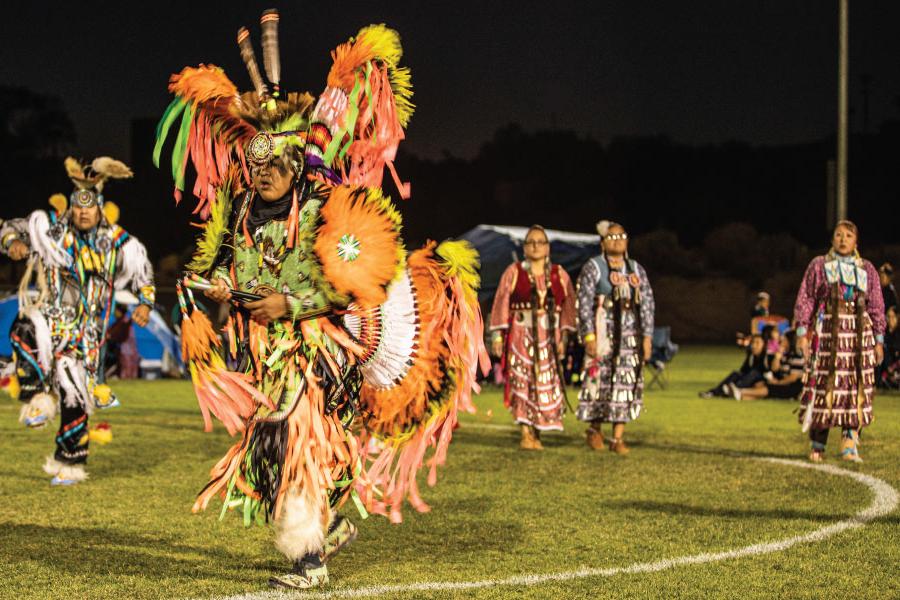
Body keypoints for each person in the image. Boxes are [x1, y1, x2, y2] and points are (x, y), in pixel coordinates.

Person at [155, 13, 487, 590]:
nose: (263, 175)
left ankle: (309, 558)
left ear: (293, 168)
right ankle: (324, 532)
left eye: (274, 167)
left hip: (317, 348)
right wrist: (221, 290)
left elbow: (355, 281)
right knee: (286, 443)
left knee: (290, 437)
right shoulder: (241, 216)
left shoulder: (323, 212)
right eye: (255, 167)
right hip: (267, 351)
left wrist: (291, 304)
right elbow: (233, 273)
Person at [0, 157, 154, 484]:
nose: (83, 212)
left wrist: (146, 302)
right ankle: (37, 398)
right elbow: (11, 227)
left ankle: (69, 463)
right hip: (50, 315)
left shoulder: (115, 240)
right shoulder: (52, 227)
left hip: (85, 334)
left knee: (74, 395)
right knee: (24, 326)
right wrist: (13, 242)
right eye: (78, 207)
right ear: (71, 206)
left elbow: (142, 269)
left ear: (99, 208)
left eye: (90, 207)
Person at [794, 220, 885, 462]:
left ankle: (850, 442)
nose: (843, 239)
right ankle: (818, 443)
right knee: (824, 385)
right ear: (832, 240)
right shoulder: (819, 266)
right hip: (827, 336)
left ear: (856, 241)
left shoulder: (866, 268)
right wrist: (802, 333)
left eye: (848, 235)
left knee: (855, 387)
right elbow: (806, 298)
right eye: (838, 235)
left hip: (858, 336)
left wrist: (878, 339)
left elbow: (876, 304)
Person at [489, 225, 576, 450]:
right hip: (520, 335)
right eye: (530, 242)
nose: (535, 246)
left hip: (550, 336)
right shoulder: (514, 271)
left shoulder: (559, 273)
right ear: (525, 247)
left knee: (545, 383)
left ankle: (537, 430)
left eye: (540, 242)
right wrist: (498, 336)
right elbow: (501, 302)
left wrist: (564, 338)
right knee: (522, 381)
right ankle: (526, 433)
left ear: (547, 247)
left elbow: (568, 307)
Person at [576, 220, 655, 455]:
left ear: (627, 241)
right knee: (600, 381)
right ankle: (594, 429)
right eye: (611, 237)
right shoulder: (594, 267)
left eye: (621, 236)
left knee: (627, 383)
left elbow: (648, 303)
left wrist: (647, 337)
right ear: (602, 242)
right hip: (603, 334)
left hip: (631, 336)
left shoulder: (636, 269)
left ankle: (617, 438)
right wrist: (588, 335)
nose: (617, 240)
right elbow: (584, 304)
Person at [699, 333, 771, 400]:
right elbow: (744, 369)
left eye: (757, 343)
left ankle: (734, 389)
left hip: (764, 382)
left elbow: (771, 373)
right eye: (753, 342)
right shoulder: (751, 355)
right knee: (736, 374)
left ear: (764, 345)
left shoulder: (768, 356)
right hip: (751, 379)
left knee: (754, 373)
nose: (754, 345)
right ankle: (713, 392)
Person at [738, 330, 804, 400]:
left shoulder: (797, 357)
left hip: (792, 386)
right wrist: (777, 358)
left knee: (770, 388)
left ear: (790, 341)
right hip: (783, 382)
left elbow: (792, 378)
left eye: (784, 339)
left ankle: (741, 391)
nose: (781, 341)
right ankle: (742, 396)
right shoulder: (784, 355)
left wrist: (778, 383)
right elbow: (774, 369)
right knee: (760, 383)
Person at [107, 304, 140, 379]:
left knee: (127, 371)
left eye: (115, 311)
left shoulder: (124, 322)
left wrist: (111, 336)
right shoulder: (122, 321)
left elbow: (120, 335)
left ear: (119, 311)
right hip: (128, 350)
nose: (114, 313)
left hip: (127, 350)